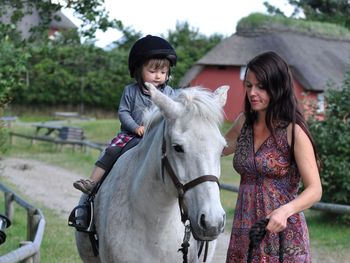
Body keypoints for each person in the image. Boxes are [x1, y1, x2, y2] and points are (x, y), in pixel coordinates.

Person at [223, 51, 322, 262]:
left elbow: (315, 190)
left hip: (284, 234)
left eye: (261, 86)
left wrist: (285, 211)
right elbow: (214, 148)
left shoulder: (293, 131)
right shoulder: (243, 123)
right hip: (245, 231)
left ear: (278, 87)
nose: (252, 93)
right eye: (249, 86)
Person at [73, 35, 178, 194]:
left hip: (158, 136)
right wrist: (135, 128)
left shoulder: (170, 93)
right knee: (112, 151)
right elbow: (123, 112)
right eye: (152, 71)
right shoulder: (130, 91)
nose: (158, 76)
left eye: (163, 72)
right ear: (138, 70)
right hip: (131, 135)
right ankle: (92, 183)